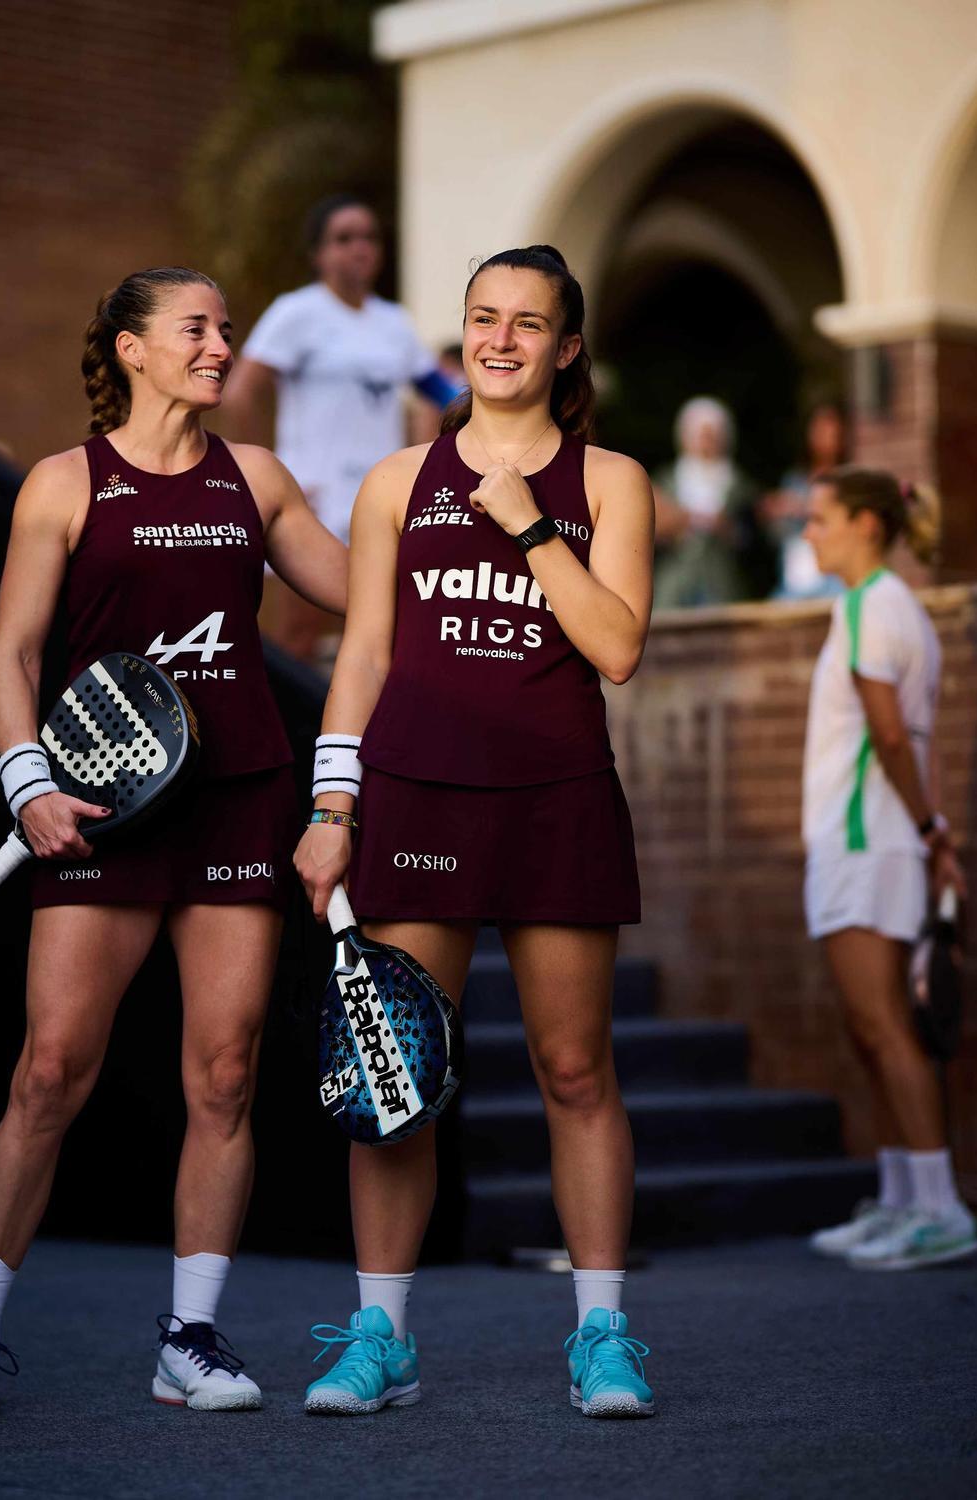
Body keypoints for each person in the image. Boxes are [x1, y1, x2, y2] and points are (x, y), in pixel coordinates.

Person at [0, 266, 346, 1416]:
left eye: (224, 327)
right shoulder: (63, 484)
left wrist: (451, 503)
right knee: (50, 1069)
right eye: (197, 328)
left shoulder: (255, 479)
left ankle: (191, 1339)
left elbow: (365, 592)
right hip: (99, 808)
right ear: (133, 349)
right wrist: (26, 784)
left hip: (236, 799)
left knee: (226, 1072)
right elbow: (10, 654)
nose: (220, 346)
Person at [294, 245, 657, 1418]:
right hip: (418, 796)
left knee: (573, 1068)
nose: (500, 338)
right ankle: (380, 1338)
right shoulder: (399, 478)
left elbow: (618, 647)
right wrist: (331, 804)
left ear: (566, 348)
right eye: (482, 317)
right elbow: (364, 655)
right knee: (393, 1071)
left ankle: (602, 1335)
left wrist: (530, 527)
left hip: (557, 795)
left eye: (527, 322)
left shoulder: (611, 480)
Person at [800, 466, 977, 1270]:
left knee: (886, 1029)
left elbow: (895, 738)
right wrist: (935, 838)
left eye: (822, 519)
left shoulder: (877, 605)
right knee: (870, 1032)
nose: (810, 532)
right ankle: (904, 1201)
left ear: (868, 525)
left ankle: (940, 1210)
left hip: (869, 842)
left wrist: (934, 832)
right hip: (868, 842)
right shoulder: (872, 606)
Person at [222, 194, 456, 662]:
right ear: (319, 254)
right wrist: (265, 480)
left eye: (369, 237)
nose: (359, 248)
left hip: (380, 498)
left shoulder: (394, 322)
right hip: (312, 498)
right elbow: (239, 393)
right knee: (299, 632)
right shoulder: (297, 312)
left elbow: (446, 395)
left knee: (383, 629)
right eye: (344, 238)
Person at [652, 395, 775, 607]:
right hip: (675, 588)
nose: (706, 442)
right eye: (700, 434)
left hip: (722, 587)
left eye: (712, 435)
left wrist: (729, 529)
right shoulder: (666, 480)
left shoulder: (740, 484)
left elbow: (753, 537)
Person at [763, 402, 847, 600]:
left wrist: (801, 508)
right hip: (796, 578)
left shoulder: (846, 479)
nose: (825, 436)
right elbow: (778, 533)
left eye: (830, 430)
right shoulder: (795, 480)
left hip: (833, 576)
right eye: (819, 430)